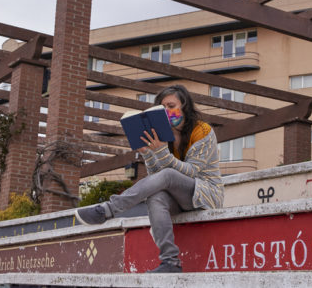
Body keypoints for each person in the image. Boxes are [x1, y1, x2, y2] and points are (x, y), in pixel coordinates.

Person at [75, 84, 223, 273]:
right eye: (163, 108)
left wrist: (162, 153)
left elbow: (191, 172)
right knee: (156, 196)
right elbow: (157, 177)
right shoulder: (163, 135)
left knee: (168, 175)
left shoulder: (202, 131)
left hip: (206, 194)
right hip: (181, 198)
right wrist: (147, 154)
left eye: (171, 105)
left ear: (185, 106)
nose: (167, 111)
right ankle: (170, 262)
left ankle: (108, 209)